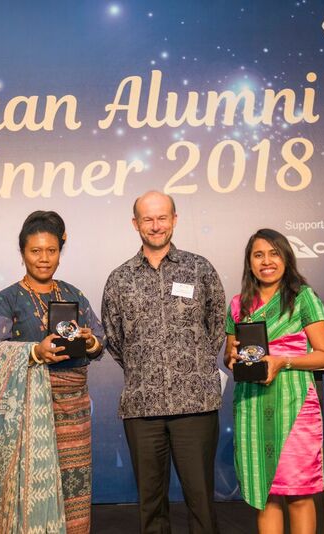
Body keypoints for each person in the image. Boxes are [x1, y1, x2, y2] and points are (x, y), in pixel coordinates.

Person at [101, 190, 225, 534]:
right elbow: (115, 339)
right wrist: (148, 370)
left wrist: (192, 365)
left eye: (162, 217)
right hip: (142, 407)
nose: (155, 226)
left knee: (200, 501)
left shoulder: (200, 268)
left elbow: (216, 327)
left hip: (196, 404)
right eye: (147, 219)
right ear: (135, 223)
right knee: (150, 504)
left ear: (174, 219)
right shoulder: (119, 278)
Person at [0, 210, 105, 534]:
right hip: (29, 413)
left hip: (74, 413)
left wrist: (90, 340)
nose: (44, 258)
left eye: (51, 251)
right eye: (35, 251)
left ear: (60, 252)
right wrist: (34, 352)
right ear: (22, 252)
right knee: (31, 490)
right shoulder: (6, 300)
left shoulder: (73, 294)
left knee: (73, 489)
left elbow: (100, 342)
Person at [224, 228, 324, 534]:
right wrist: (232, 356)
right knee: (266, 495)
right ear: (249, 262)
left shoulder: (303, 298)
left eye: (274, 253)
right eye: (258, 255)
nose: (266, 261)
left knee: (298, 492)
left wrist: (282, 361)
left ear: (286, 257)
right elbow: (228, 357)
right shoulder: (237, 305)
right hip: (252, 406)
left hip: (294, 406)